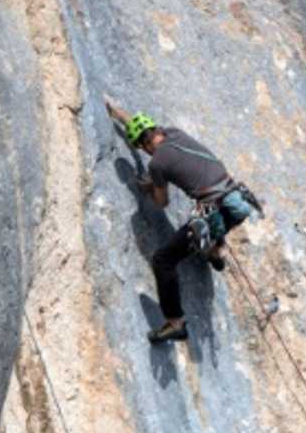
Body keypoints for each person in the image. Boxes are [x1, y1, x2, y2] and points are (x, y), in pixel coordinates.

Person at [105, 99, 262, 343]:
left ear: (144, 147)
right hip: (237, 200)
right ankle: (216, 251)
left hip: (215, 210)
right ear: (157, 130)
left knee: (163, 260)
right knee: (209, 214)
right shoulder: (175, 133)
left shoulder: (157, 163)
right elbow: (143, 131)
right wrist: (116, 110)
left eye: (141, 147)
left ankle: (174, 322)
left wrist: (150, 187)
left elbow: (162, 202)